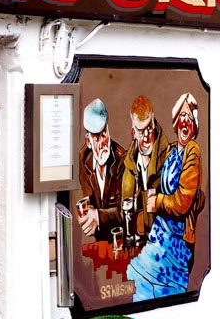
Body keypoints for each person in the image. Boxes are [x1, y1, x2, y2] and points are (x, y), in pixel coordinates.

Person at [128, 92, 204, 300]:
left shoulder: (192, 151)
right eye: (182, 117)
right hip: (159, 232)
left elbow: (182, 202)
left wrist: (158, 201)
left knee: (161, 290)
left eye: (189, 118)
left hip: (176, 241)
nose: (185, 122)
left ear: (195, 124)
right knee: (139, 283)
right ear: (176, 122)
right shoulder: (171, 151)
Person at [120, 95, 170, 245]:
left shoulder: (169, 157)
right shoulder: (130, 164)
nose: (147, 136)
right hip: (138, 246)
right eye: (141, 131)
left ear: (154, 122)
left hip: (163, 245)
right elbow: (123, 210)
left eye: (149, 127)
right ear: (133, 132)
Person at [77, 98, 125, 242]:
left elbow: (123, 211)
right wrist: (86, 216)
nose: (103, 142)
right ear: (88, 141)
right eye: (97, 138)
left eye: (104, 133)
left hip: (121, 240)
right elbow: (88, 197)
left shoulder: (123, 160)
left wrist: (97, 216)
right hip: (100, 241)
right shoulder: (83, 158)